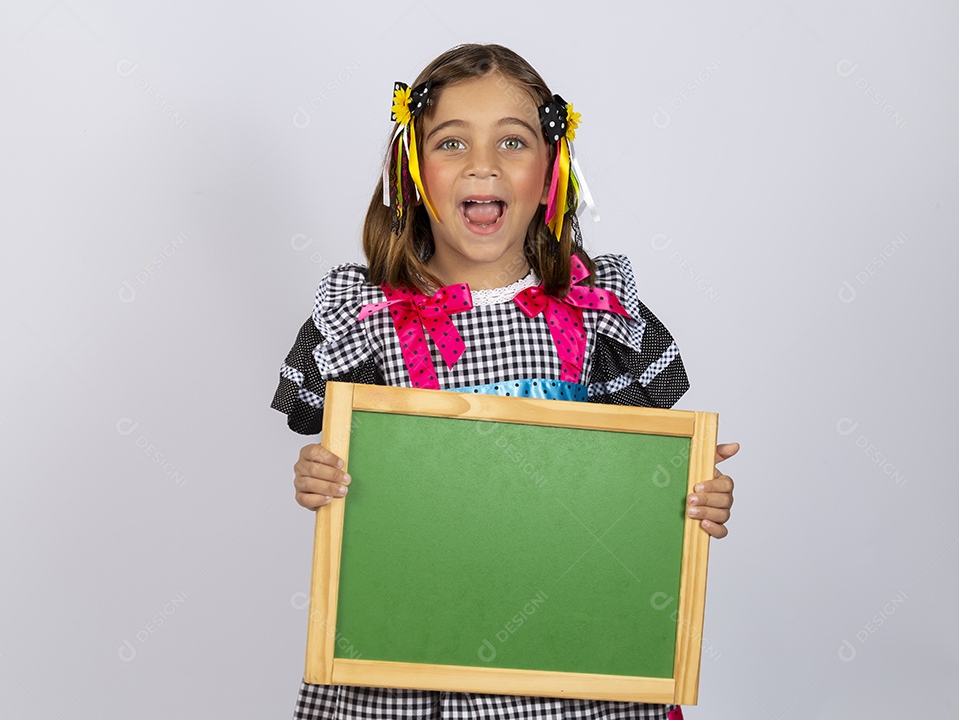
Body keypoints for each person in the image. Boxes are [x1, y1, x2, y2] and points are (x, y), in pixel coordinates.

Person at [271, 43, 737, 720]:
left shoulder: (596, 314)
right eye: (452, 142)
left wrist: (692, 493)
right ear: (412, 170)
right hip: (403, 666)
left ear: (550, 169)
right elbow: (341, 452)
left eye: (512, 142)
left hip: (569, 680)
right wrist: (319, 476)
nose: (482, 164)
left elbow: (643, 472)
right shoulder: (365, 319)